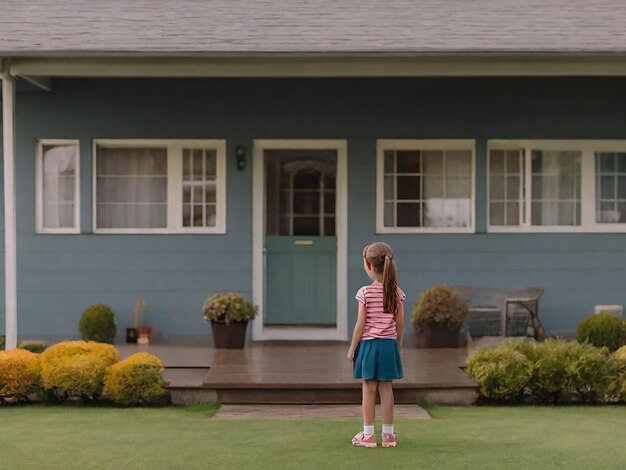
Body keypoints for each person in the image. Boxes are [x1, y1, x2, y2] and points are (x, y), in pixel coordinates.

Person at [347, 242, 404, 448]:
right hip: (389, 346)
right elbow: (400, 323)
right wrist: (398, 345)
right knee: (387, 389)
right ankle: (388, 435)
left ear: (369, 266)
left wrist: (352, 348)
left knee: (369, 389)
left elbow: (360, 325)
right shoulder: (397, 293)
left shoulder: (364, 292)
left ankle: (368, 435)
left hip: (369, 347)